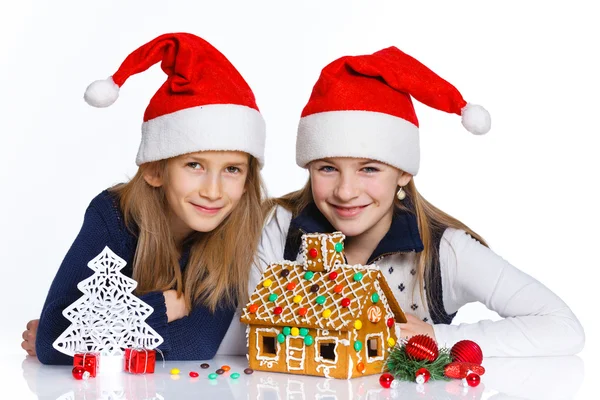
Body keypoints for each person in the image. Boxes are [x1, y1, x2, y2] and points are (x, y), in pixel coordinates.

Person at [256, 46, 584, 356]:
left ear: (403, 172)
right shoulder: (278, 229)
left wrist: (437, 337)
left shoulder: (445, 251)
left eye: (369, 168)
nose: (345, 191)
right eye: (327, 168)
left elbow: (563, 326)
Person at [20, 32, 267, 363]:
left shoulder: (237, 229)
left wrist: (95, 334)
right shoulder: (113, 216)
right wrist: (164, 306)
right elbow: (53, 339)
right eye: (194, 165)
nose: (213, 191)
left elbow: (196, 344)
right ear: (155, 171)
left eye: (232, 169)